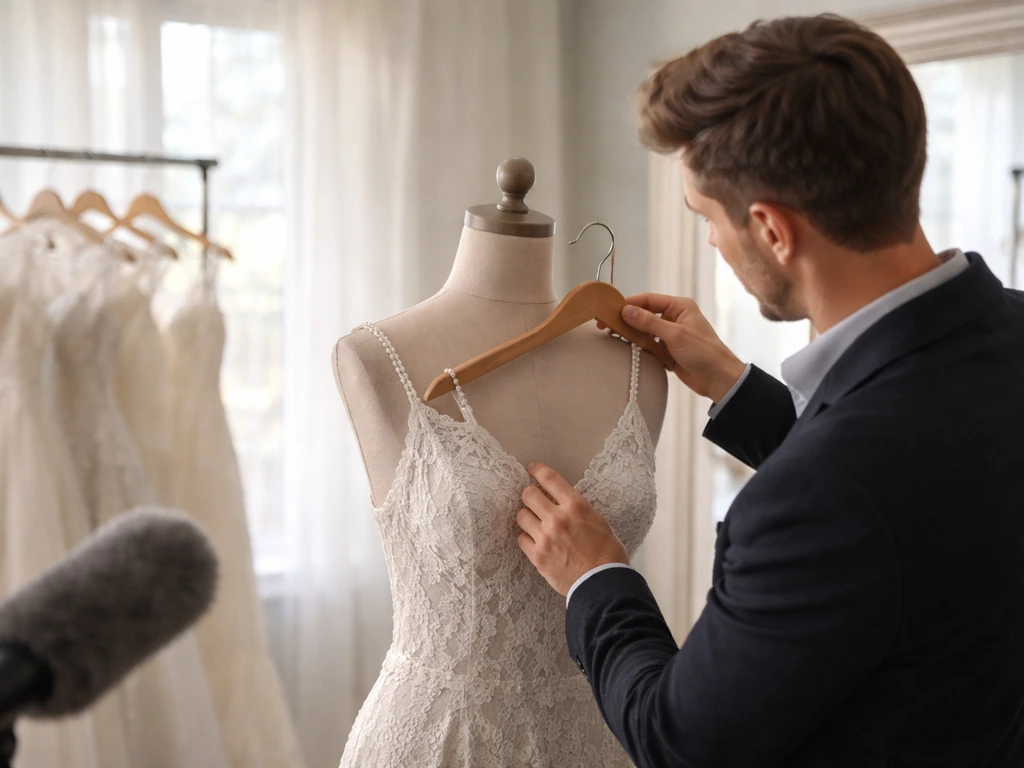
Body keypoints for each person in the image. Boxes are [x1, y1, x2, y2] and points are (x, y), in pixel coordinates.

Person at [514, 13, 1024, 767]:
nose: (712, 242)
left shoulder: (816, 497)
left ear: (773, 230)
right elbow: (917, 502)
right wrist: (734, 385)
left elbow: (681, 741)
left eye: (707, 218)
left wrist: (597, 575)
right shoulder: (1005, 334)